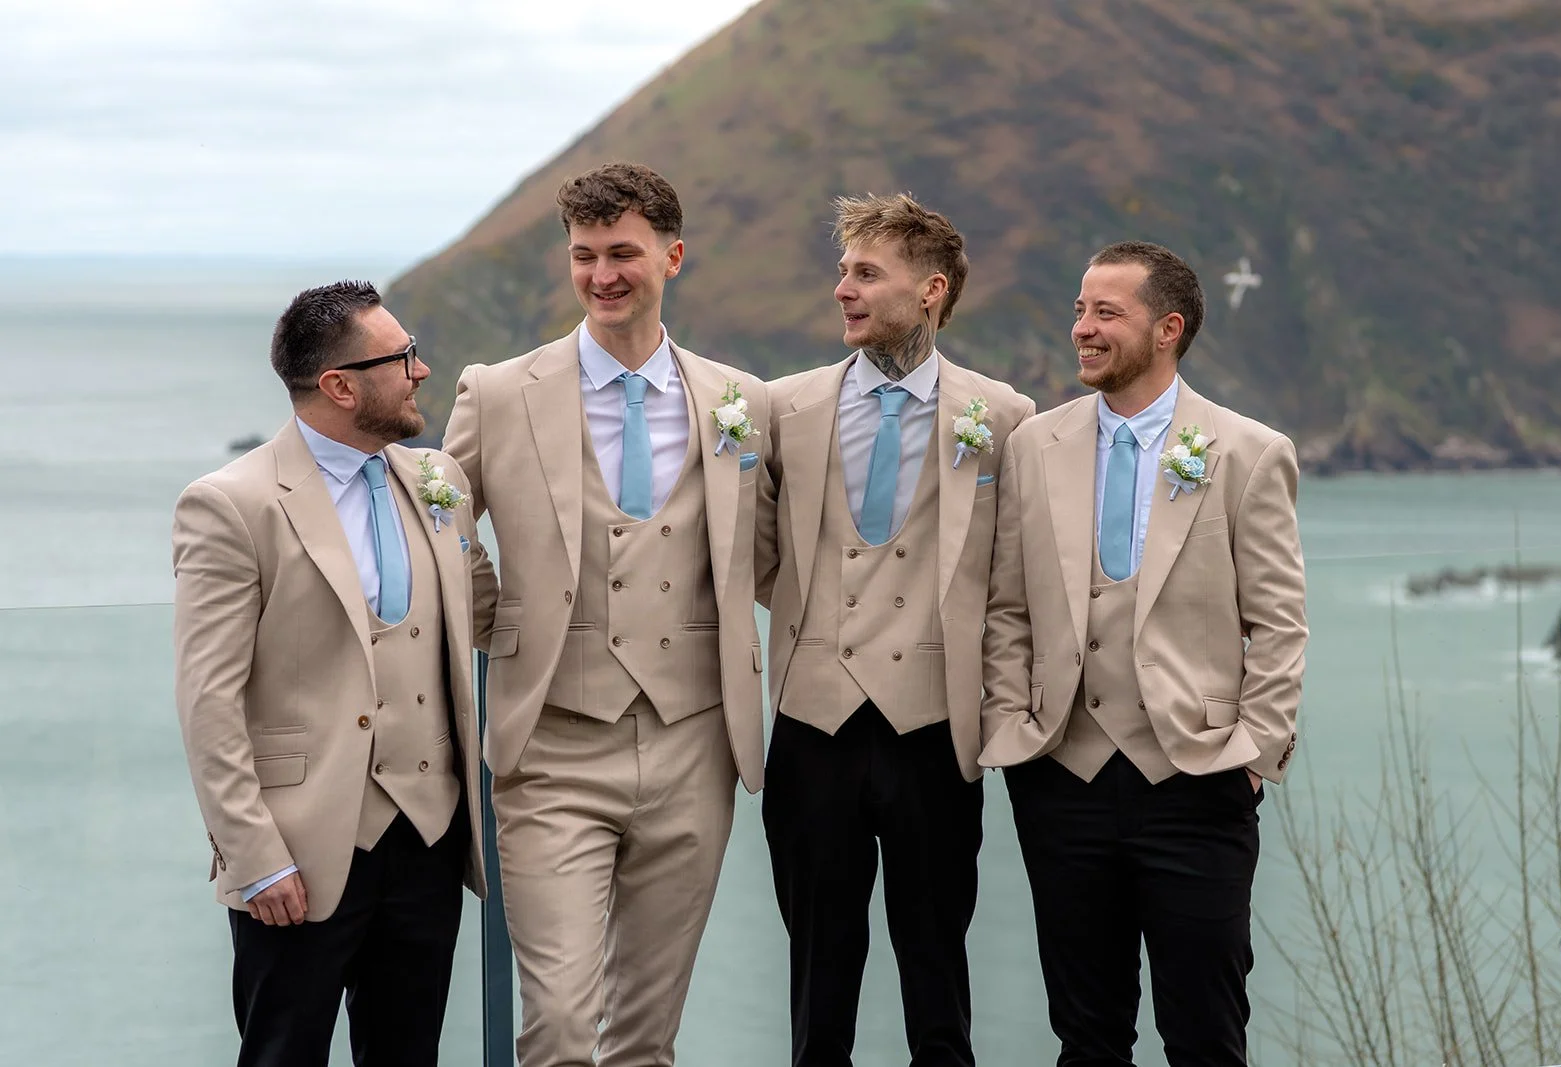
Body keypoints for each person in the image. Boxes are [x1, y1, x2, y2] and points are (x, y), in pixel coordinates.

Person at [442, 161, 770, 1067]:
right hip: (550, 744)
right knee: (554, 1021)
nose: (602, 274)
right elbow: (433, 517)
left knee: (645, 1035)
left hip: (694, 742)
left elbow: (773, 546)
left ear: (673, 255)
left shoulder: (739, 401)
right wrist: (493, 617)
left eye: (622, 252)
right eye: (584, 255)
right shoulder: (501, 392)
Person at [980, 240, 1308, 1065]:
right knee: (1087, 1035)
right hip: (1062, 777)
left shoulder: (1247, 452)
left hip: (1196, 782)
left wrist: (1252, 753)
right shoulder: (1034, 445)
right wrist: (1013, 725)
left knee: (1204, 1033)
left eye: (1105, 313)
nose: (1082, 329)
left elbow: (1278, 622)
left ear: (1168, 328)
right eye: (1080, 310)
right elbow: (1009, 606)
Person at [172, 280, 488, 1067]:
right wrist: (256, 857)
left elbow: (485, 612)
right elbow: (208, 700)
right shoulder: (232, 504)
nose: (420, 370)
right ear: (341, 386)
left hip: (429, 836)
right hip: (298, 853)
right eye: (402, 357)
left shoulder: (436, 479)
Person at [755, 193, 1034, 1067]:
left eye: (866, 273)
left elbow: (1015, 581)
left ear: (931, 290)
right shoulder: (783, 408)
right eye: (843, 270)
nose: (843, 289)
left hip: (935, 734)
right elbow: (763, 554)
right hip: (813, 727)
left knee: (938, 985)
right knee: (818, 984)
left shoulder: (1002, 416)